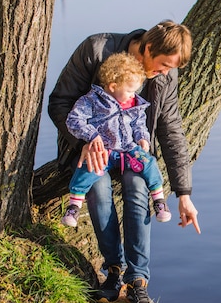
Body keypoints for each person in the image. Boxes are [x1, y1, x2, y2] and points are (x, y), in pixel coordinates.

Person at [48, 20, 201, 303]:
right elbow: (60, 103)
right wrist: (84, 142)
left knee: (137, 188)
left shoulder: (166, 77)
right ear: (146, 48)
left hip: (131, 151)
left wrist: (184, 193)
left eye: (171, 68)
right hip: (91, 148)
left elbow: (170, 131)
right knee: (100, 188)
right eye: (161, 66)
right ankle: (114, 272)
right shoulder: (96, 49)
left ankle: (137, 281)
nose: (166, 73)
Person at [60, 52, 171, 228]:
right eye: (129, 91)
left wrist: (143, 138)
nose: (132, 95)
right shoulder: (92, 101)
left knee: (149, 163)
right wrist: (91, 135)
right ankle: (74, 206)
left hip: (128, 149)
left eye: (135, 91)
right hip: (103, 149)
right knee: (88, 168)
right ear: (112, 86)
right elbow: (73, 120)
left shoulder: (135, 104)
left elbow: (139, 124)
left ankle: (159, 200)